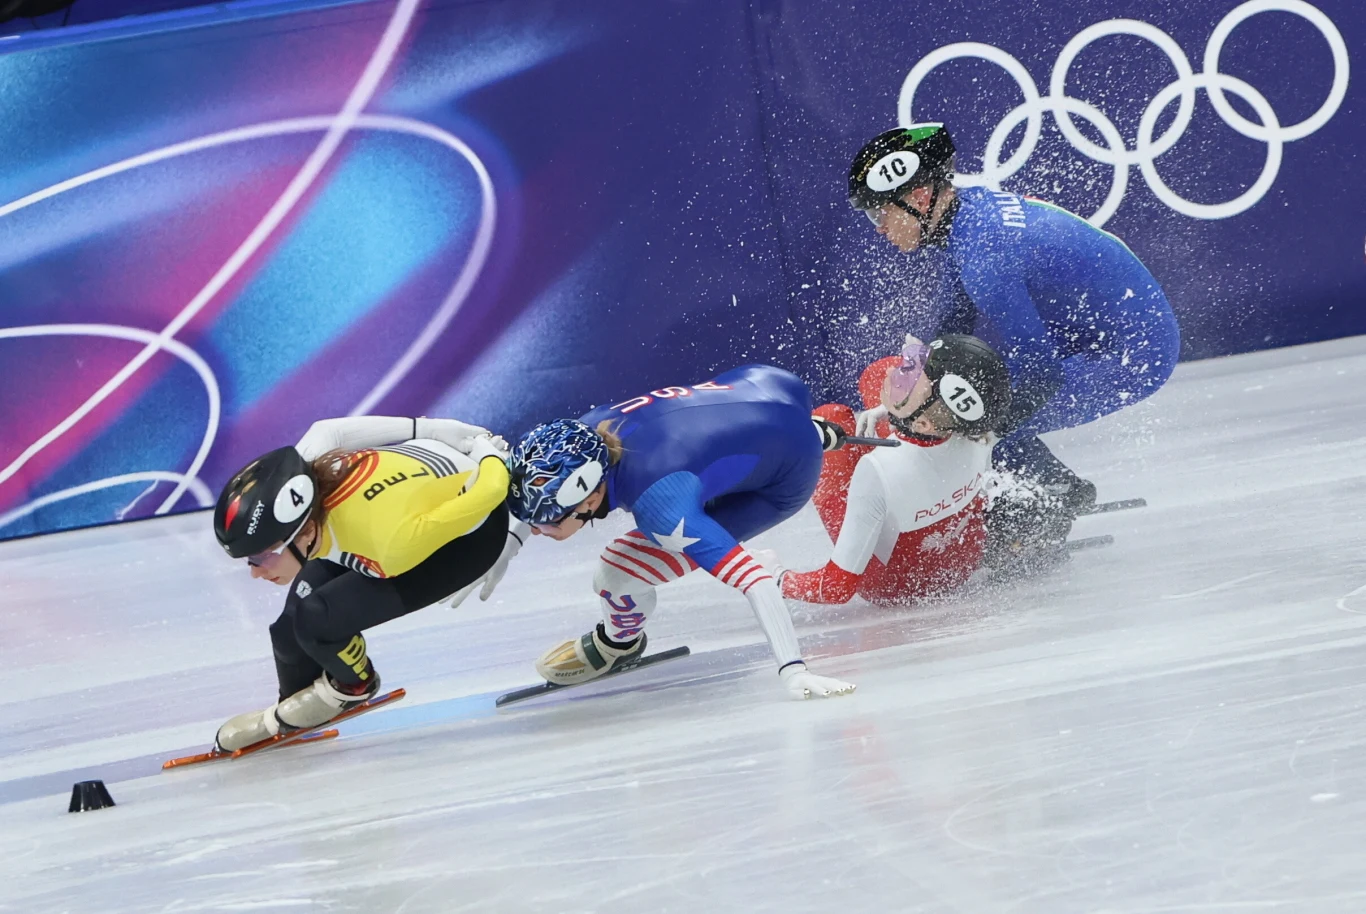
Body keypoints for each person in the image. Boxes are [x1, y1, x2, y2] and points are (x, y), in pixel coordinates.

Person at [846, 123, 1180, 518]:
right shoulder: (966, 219)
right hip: (1096, 333)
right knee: (963, 402)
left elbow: (1041, 375)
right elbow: (949, 323)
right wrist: (902, 398)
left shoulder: (986, 254)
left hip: (1135, 351)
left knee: (968, 417)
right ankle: (1058, 488)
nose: (879, 228)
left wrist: (967, 430)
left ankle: (1042, 507)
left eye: (878, 213)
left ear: (920, 197)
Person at [469, 365, 856, 700]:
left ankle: (619, 645)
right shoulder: (583, 434)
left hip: (783, 481)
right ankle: (810, 434)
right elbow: (535, 486)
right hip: (768, 385)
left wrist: (794, 670)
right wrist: (508, 545)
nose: (537, 530)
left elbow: (755, 581)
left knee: (614, 573)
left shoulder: (661, 505)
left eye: (547, 520)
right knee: (764, 442)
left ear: (589, 499)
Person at [210, 416, 513, 751]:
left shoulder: (390, 544)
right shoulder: (304, 479)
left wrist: (490, 456)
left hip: (467, 540)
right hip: (398, 499)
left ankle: (354, 686)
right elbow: (329, 431)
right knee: (286, 631)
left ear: (305, 532)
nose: (255, 571)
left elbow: (492, 490)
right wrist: (425, 428)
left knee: (317, 619)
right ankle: (294, 707)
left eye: (261, 557)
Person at [771, 333, 1017, 605]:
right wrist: (899, 409)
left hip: (895, 588)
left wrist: (776, 576)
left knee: (829, 417)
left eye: (910, 377)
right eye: (909, 364)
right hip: (963, 559)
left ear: (924, 425)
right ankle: (913, 401)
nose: (894, 371)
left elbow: (835, 588)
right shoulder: (981, 431)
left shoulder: (877, 469)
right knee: (876, 375)